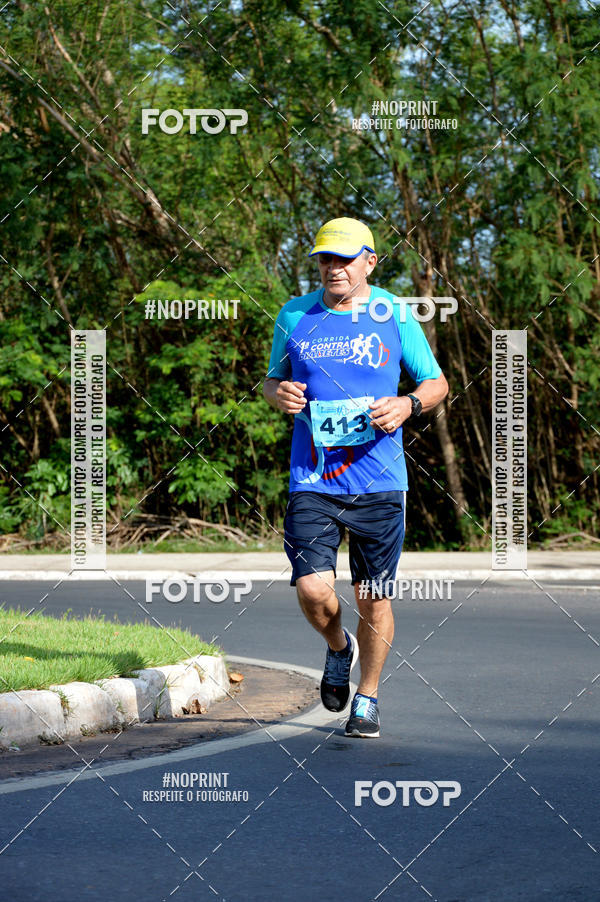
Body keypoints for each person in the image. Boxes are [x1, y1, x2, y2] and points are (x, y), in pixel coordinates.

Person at [263, 217, 448, 738]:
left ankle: (366, 698)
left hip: (380, 480)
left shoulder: (393, 313)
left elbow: (436, 382)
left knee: (373, 596)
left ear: (370, 261)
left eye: (345, 259)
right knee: (313, 589)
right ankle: (338, 648)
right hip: (313, 478)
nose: (333, 268)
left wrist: (408, 404)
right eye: (325, 258)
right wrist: (277, 394)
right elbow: (271, 379)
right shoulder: (295, 314)